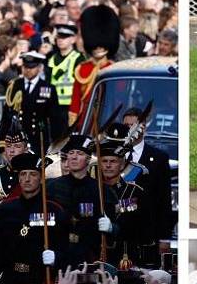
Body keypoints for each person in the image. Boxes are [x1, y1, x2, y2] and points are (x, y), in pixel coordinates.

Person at [0, 152, 68, 284]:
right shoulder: (4, 210)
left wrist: (56, 257)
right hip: (10, 279)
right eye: (23, 174)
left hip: (40, 277)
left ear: (41, 178)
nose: (27, 179)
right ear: (18, 178)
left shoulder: (54, 209)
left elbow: (66, 246)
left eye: (32, 174)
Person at [46, 134, 117, 266]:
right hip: (57, 255)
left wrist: (111, 227)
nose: (74, 157)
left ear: (88, 159)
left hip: (89, 257)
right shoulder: (51, 187)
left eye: (79, 153)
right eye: (71, 153)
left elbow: (117, 228)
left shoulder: (102, 191)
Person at [99, 124, 156, 267]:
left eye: (113, 161)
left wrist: (113, 228)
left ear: (121, 165)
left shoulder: (133, 191)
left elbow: (137, 225)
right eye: (104, 161)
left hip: (124, 256)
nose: (108, 165)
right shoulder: (92, 189)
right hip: (96, 254)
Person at [121, 107, 175, 241]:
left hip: (147, 231)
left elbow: (164, 200)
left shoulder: (159, 158)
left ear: (143, 127)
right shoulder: (114, 156)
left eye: (133, 126)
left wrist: (164, 238)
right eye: (126, 126)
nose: (129, 129)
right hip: (118, 230)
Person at [69, 5, 120, 129]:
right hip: (84, 119)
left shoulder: (114, 69)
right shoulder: (82, 68)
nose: (98, 48)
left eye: (102, 46)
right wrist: (73, 122)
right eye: (95, 45)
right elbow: (75, 100)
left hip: (106, 118)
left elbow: (118, 99)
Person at [2, 52, 64, 154]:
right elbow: (6, 116)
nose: (28, 70)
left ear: (39, 68)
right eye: (25, 67)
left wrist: (56, 143)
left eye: (32, 67)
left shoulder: (47, 88)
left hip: (39, 138)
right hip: (18, 139)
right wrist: (2, 143)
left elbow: (55, 119)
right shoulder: (15, 86)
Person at [46, 23, 84, 134]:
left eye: (65, 37)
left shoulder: (78, 58)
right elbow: (47, 82)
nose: (60, 40)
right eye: (59, 37)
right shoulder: (51, 58)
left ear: (73, 39)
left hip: (71, 107)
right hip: (54, 106)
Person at [0, 123, 29, 213]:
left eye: (17, 146)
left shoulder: (32, 175)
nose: (12, 150)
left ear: (26, 150)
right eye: (8, 146)